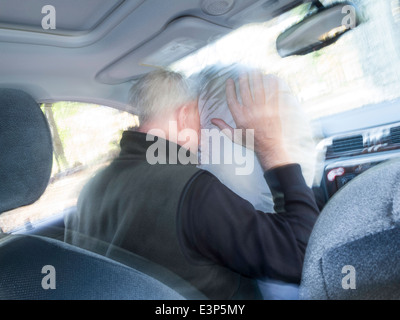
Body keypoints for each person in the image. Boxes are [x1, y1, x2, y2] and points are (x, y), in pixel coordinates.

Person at [64, 68, 320, 300]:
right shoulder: (194, 191)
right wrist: (271, 148)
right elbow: (302, 254)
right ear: (185, 115)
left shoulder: (89, 191)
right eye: (204, 120)